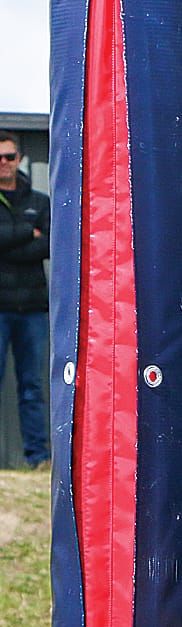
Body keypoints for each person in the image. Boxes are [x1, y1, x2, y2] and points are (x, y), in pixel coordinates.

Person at [0, 130, 50, 470]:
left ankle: (38, 457)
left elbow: (50, 244)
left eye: (9, 156)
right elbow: (34, 242)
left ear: (19, 159)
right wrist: (25, 234)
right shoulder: (33, 213)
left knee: (32, 386)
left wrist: (10, 245)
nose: (4, 163)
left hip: (32, 309)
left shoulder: (40, 201)